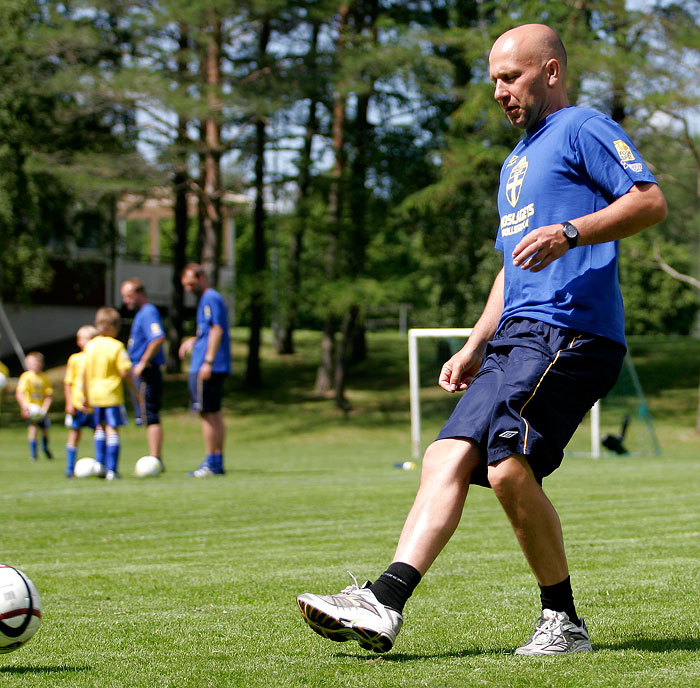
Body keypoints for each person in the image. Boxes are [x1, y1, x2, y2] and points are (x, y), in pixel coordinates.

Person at [296, 24, 668, 656]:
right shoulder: (516, 161)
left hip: (570, 332)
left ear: (550, 71)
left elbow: (651, 201)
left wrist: (572, 232)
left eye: (510, 77)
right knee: (446, 456)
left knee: (505, 467)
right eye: (493, 79)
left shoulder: (582, 127)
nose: (498, 91)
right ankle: (383, 601)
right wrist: (473, 343)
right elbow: (513, 264)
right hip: (517, 336)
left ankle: (562, 621)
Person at [178, 263, 231, 477]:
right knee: (214, 413)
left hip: (207, 365)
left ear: (201, 278)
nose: (188, 288)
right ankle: (216, 462)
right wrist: (195, 340)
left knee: (207, 414)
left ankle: (211, 462)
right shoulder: (210, 299)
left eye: (191, 283)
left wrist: (207, 361)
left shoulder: (210, 297)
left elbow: (217, 329)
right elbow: (209, 330)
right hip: (212, 362)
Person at [83, 307, 141, 481]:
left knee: (99, 429)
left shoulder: (90, 346)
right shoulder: (117, 346)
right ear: (115, 326)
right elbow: (124, 372)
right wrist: (135, 390)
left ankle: (100, 466)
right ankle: (112, 470)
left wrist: (84, 394)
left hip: (94, 395)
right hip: (112, 395)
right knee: (113, 431)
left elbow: (85, 372)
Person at [120, 278, 166, 467]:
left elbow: (158, 338)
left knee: (151, 415)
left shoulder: (148, 312)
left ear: (139, 293)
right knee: (146, 416)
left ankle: (155, 459)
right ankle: (155, 458)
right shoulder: (141, 314)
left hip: (147, 372)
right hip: (141, 372)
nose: (126, 300)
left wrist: (142, 363)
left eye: (129, 296)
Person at [63, 325, 98, 478]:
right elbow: (68, 382)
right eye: (85, 339)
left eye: (91, 338)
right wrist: (69, 403)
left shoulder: (97, 358)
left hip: (95, 404)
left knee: (99, 434)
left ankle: (100, 465)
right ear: (79, 341)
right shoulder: (75, 359)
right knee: (74, 435)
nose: (88, 342)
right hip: (78, 404)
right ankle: (70, 468)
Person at [15, 352, 53, 462]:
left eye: (37, 362)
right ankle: (34, 454)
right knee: (33, 429)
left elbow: (48, 396)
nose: (35, 365)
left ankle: (45, 448)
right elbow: (20, 393)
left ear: (41, 364)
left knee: (45, 430)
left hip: (41, 410)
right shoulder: (26, 377)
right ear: (27, 364)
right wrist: (24, 406)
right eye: (32, 363)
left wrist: (45, 409)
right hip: (31, 410)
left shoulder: (44, 378)